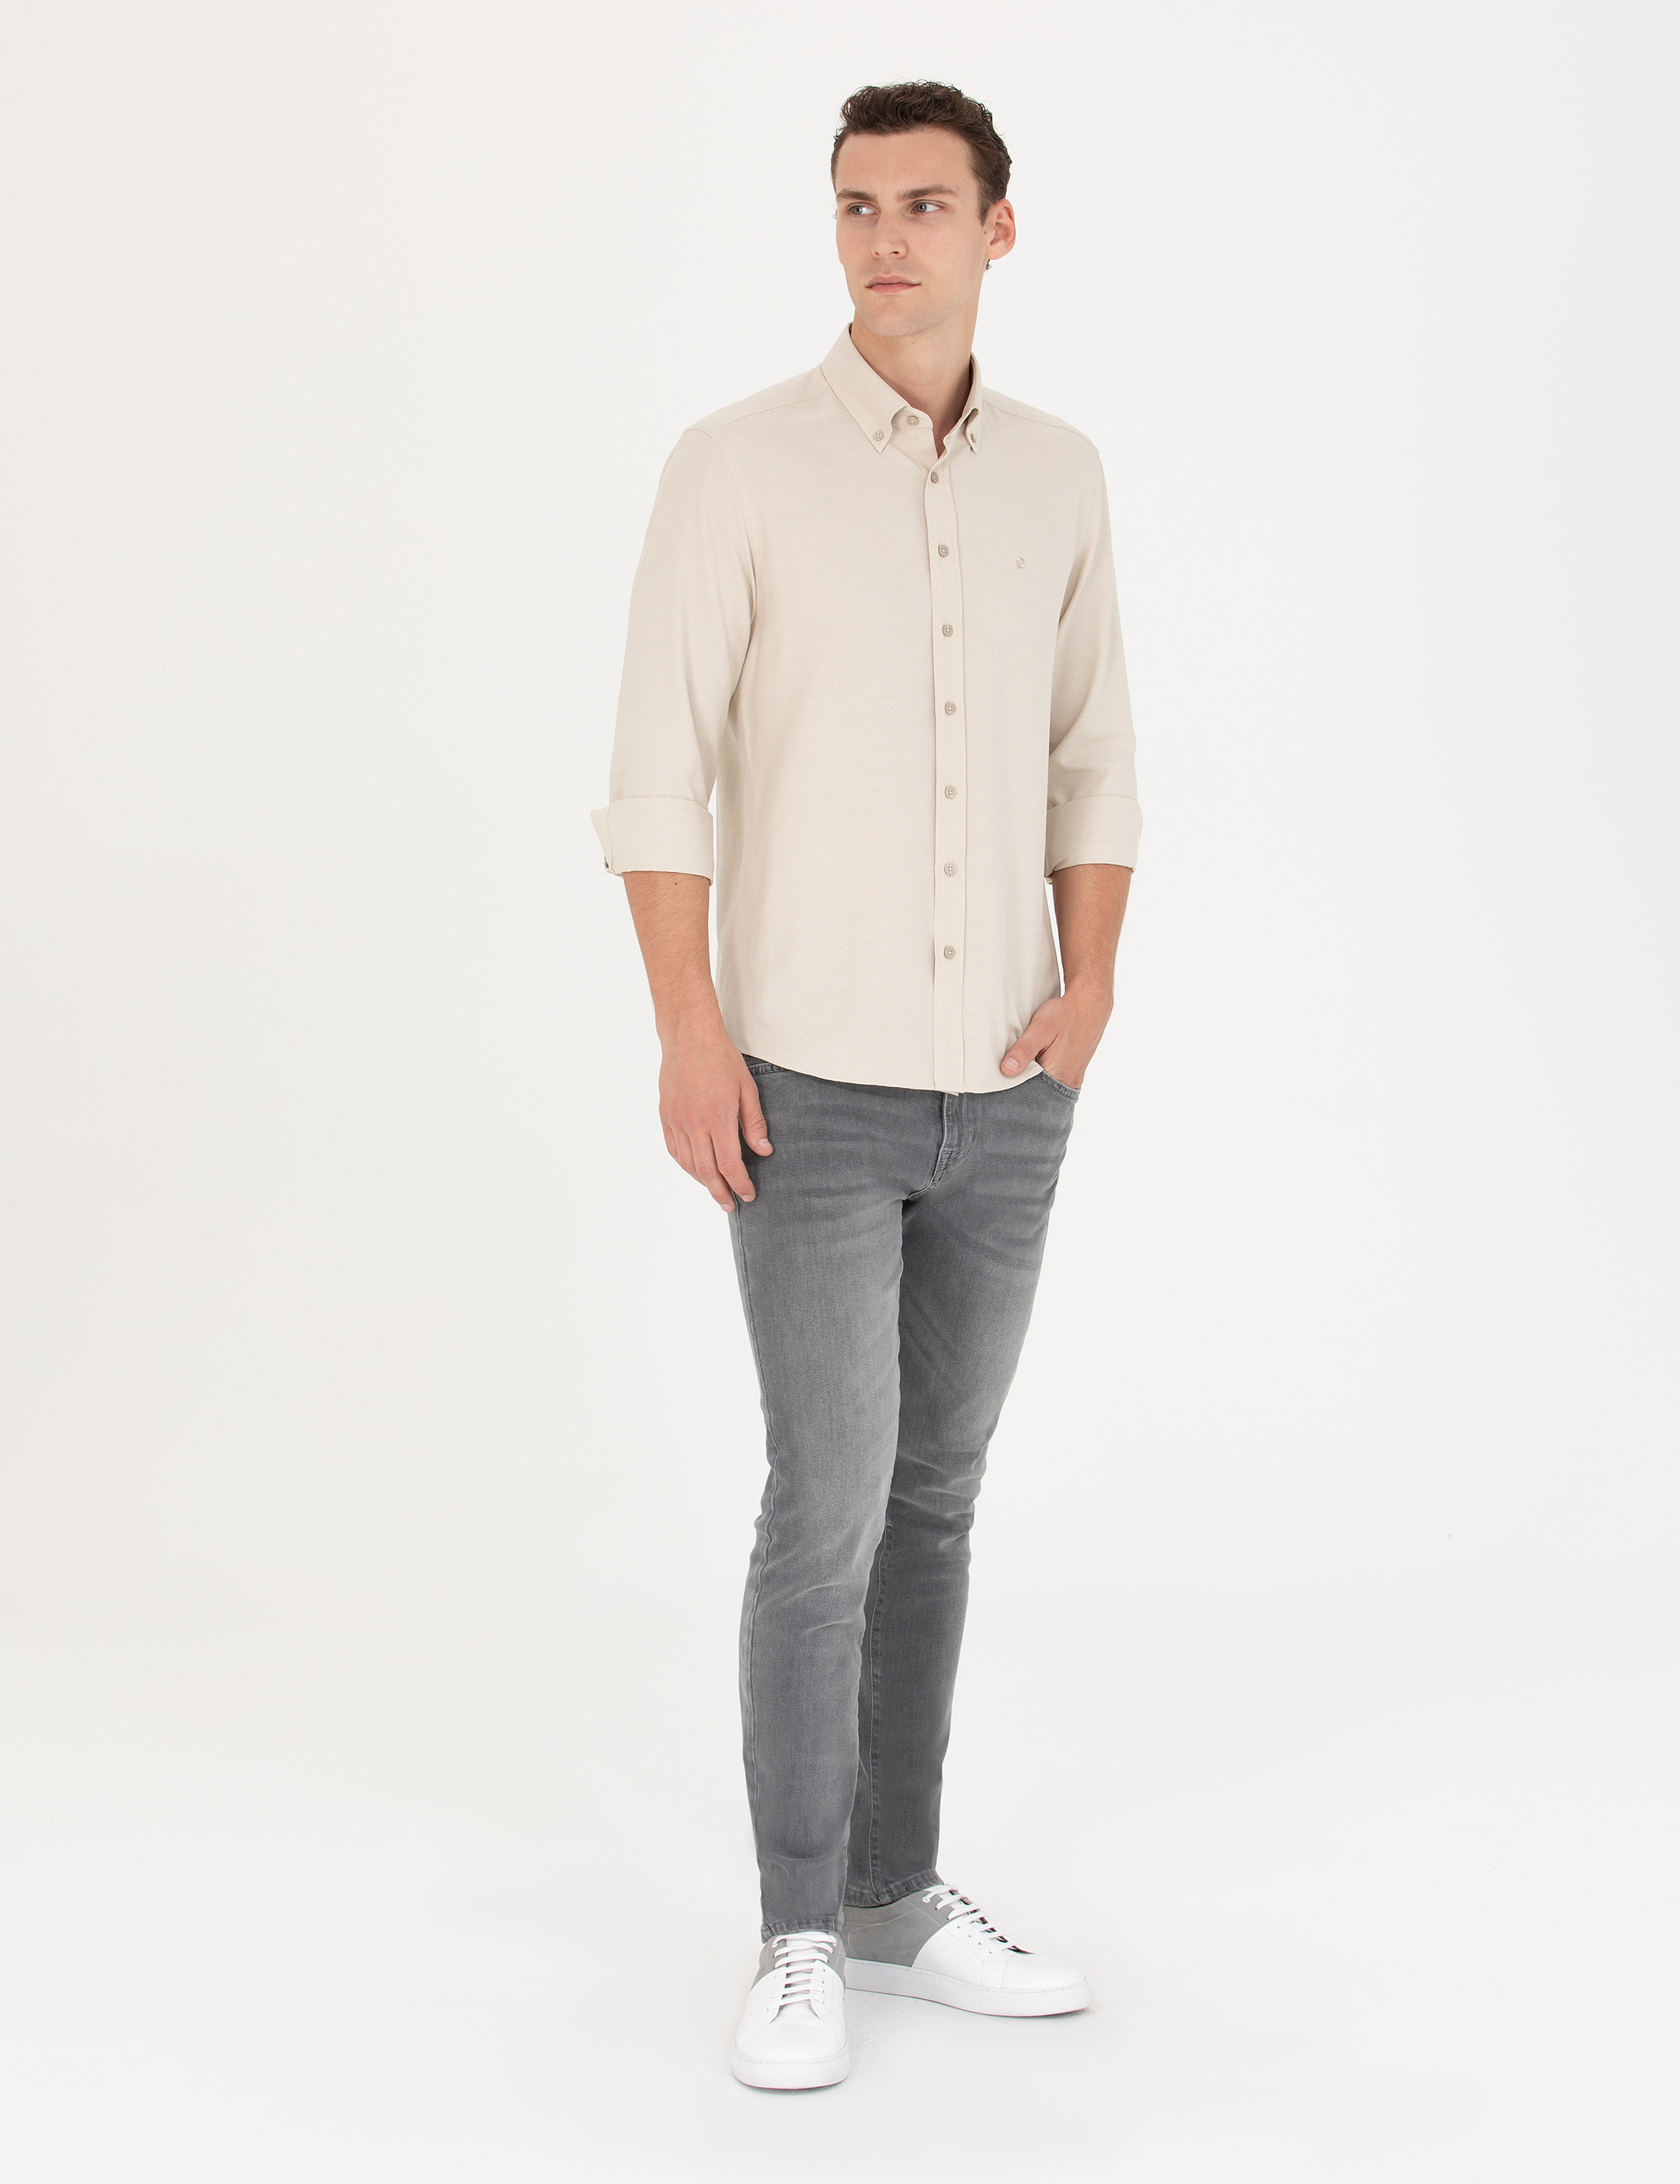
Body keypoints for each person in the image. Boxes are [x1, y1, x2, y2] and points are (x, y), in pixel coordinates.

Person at [589, 79, 1140, 2091]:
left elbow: (1092, 753)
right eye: (853, 205)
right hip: (800, 1089)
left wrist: (1089, 988)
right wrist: (686, 1025)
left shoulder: (1061, 476)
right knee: (823, 1504)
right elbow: (658, 769)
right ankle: (799, 1926)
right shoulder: (733, 466)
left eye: (921, 204)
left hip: (1005, 1087)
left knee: (935, 1496)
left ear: (999, 228)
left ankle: (901, 1893)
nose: (882, 239)